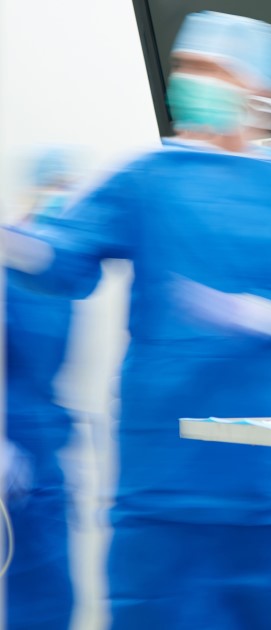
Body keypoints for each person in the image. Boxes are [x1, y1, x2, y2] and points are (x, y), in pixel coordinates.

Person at [3, 12, 271, 629]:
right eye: (184, 68)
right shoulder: (146, 178)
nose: (187, 80)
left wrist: (253, 313)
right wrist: (13, 241)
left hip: (262, 480)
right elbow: (63, 257)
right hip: (162, 478)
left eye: (209, 70)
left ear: (257, 88)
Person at [5, 147, 82, 630]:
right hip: (13, 441)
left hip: (42, 452)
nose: (62, 198)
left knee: (51, 592)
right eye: (55, 185)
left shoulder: (55, 273)